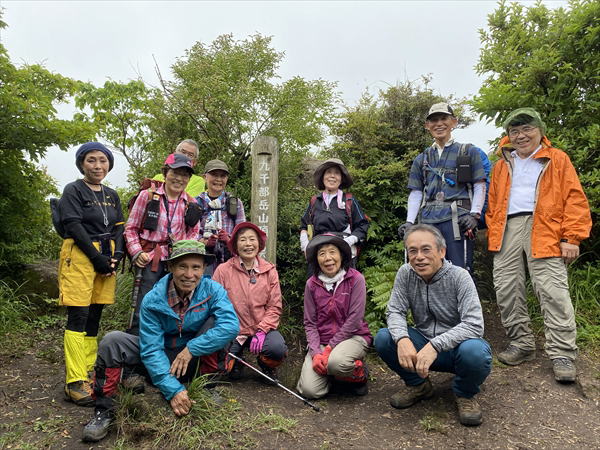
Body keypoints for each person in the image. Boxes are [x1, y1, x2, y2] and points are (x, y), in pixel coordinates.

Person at [81, 240, 239, 442]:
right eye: (182, 266)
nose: (189, 274)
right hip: (161, 358)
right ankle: (104, 410)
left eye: (196, 267)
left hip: (193, 360)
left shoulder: (213, 290)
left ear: (204, 269)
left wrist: (191, 349)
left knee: (218, 323)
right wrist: (173, 390)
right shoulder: (153, 299)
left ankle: (206, 385)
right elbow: (151, 350)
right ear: (171, 267)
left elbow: (231, 326)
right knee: (112, 341)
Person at [486, 108, 592, 382]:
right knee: (506, 286)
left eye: (527, 129)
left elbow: (575, 198)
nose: (521, 136)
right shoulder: (500, 166)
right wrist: (494, 229)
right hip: (507, 228)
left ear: (540, 131)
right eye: (514, 131)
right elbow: (493, 203)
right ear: (508, 136)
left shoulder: (557, 159)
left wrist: (572, 237)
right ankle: (521, 343)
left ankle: (563, 353)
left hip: (545, 227)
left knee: (552, 289)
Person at [375, 224, 491, 426]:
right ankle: (419, 385)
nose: (419, 257)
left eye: (426, 249)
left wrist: (435, 345)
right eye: (413, 251)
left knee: (476, 352)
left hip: (457, 350)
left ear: (442, 251)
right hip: (422, 346)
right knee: (384, 338)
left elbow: (474, 324)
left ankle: (464, 393)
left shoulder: (459, 277)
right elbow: (394, 311)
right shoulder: (406, 273)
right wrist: (402, 339)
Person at [58, 142, 125, 406]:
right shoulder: (73, 190)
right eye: (91, 160)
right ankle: (74, 381)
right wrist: (97, 258)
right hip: (80, 255)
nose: (98, 166)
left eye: (103, 160)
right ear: (81, 164)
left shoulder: (111, 194)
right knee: (79, 314)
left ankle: (88, 371)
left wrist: (117, 255)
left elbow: (119, 227)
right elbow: (73, 225)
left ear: (109, 164)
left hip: (106, 257)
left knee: (95, 313)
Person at [398, 103, 487, 274]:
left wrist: (475, 215)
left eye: (444, 118)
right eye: (434, 120)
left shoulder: (468, 152)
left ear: (454, 122)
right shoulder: (422, 158)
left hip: (458, 221)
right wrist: (409, 222)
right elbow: (416, 192)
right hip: (428, 220)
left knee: (459, 271)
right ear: (427, 125)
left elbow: (479, 185)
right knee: (427, 268)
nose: (439, 124)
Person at [124, 153, 201, 335]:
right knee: (144, 304)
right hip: (150, 259)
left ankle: (167, 344)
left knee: (173, 305)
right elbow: (131, 228)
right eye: (175, 173)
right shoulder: (148, 196)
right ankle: (136, 342)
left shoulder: (191, 203)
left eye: (185, 175)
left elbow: (194, 233)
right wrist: (137, 253)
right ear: (165, 173)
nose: (179, 178)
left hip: (177, 262)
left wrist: (184, 256)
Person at [296, 234, 372, 399]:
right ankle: (335, 378)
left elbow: (355, 319)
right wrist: (316, 353)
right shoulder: (311, 284)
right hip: (322, 342)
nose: (328, 258)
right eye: (322, 253)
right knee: (309, 390)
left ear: (341, 255)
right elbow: (310, 323)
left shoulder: (355, 279)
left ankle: (358, 375)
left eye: (332, 252)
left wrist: (330, 348)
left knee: (337, 362)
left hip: (353, 337)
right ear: (316, 259)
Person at [213, 222, 287, 380]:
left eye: (252, 239)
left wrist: (262, 330)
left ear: (259, 244)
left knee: (276, 348)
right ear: (235, 245)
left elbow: (274, 307)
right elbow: (214, 304)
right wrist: (228, 329)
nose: (248, 244)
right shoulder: (223, 270)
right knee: (223, 370)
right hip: (231, 330)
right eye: (243, 240)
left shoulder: (269, 271)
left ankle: (266, 366)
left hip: (260, 329)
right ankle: (237, 360)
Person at [299, 158, 369, 273]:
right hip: (319, 256)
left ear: (341, 179)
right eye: (328, 172)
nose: (332, 176)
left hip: (345, 256)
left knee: (345, 284)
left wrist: (349, 241)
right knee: (316, 284)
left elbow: (363, 225)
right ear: (323, 177)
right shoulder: (315, 201)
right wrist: (305, 245)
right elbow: (304, 226)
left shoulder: (349, 200)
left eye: (337, 173)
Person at [196, 159, 246, 274]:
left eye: (223, 176)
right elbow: (190, 234)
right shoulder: (197, 202)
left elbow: (242, 232)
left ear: (227, 179)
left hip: (229, 261)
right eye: (214, 175)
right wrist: (204, 242)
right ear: (205, 177)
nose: (218, 179)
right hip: (202, 260)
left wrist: (229, 239)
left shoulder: (235, 203)